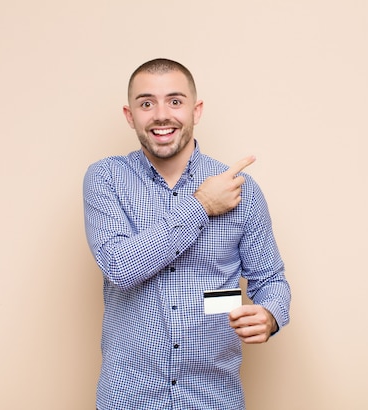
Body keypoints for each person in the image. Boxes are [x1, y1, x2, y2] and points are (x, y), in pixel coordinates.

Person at [83, 58, 291, 410]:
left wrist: (270, 314)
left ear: (196, 110)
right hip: (129, 398)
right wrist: (202, 205)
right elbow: (119, 267)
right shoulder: (106, 179)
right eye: (146, 103)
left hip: (213, 397)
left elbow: (271, 279)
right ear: (129, 115)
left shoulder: (242, 189)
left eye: (175, 101)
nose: (161, 115)